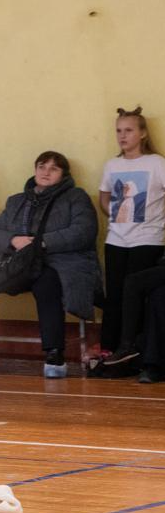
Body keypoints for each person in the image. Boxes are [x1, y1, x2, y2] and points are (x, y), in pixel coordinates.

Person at [0, 151, 99, 377]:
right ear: (35, 170)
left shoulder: (76, 197)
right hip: (19, 263)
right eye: (42, 166)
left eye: (53, 169)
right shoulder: (17, 200)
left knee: (48, 283)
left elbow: (84, 231)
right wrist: (14, 240)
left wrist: (42, 243)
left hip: (57, 262)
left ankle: (54, 354)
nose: (46, 172)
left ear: (63, 175)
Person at [93, 107, 165, 366]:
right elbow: (104, 195)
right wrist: (113, 213)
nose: (122, 136)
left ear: (143, 133)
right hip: (116, 238)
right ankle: (110, 348)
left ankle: (137, 346)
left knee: (136, 294)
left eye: (129, 130)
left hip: (147, 239)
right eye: (119, 131)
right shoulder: (113, 165)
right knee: (114, 294)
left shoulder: (157, 163)